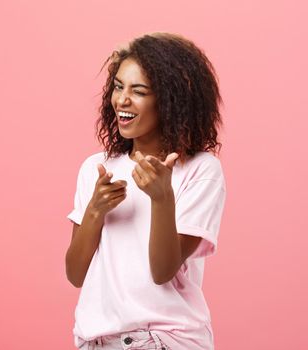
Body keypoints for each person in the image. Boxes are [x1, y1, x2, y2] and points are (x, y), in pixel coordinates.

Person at [65, 32, 226, 350]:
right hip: (95, 340)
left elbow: (163, 270)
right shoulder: (96, 168)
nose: (122, 100)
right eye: (118, 86)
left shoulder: (200, 170)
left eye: (138, 91)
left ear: (169, 100)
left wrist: (162, 197)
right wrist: (95, 210)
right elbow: (75, 273)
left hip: (162, 340)